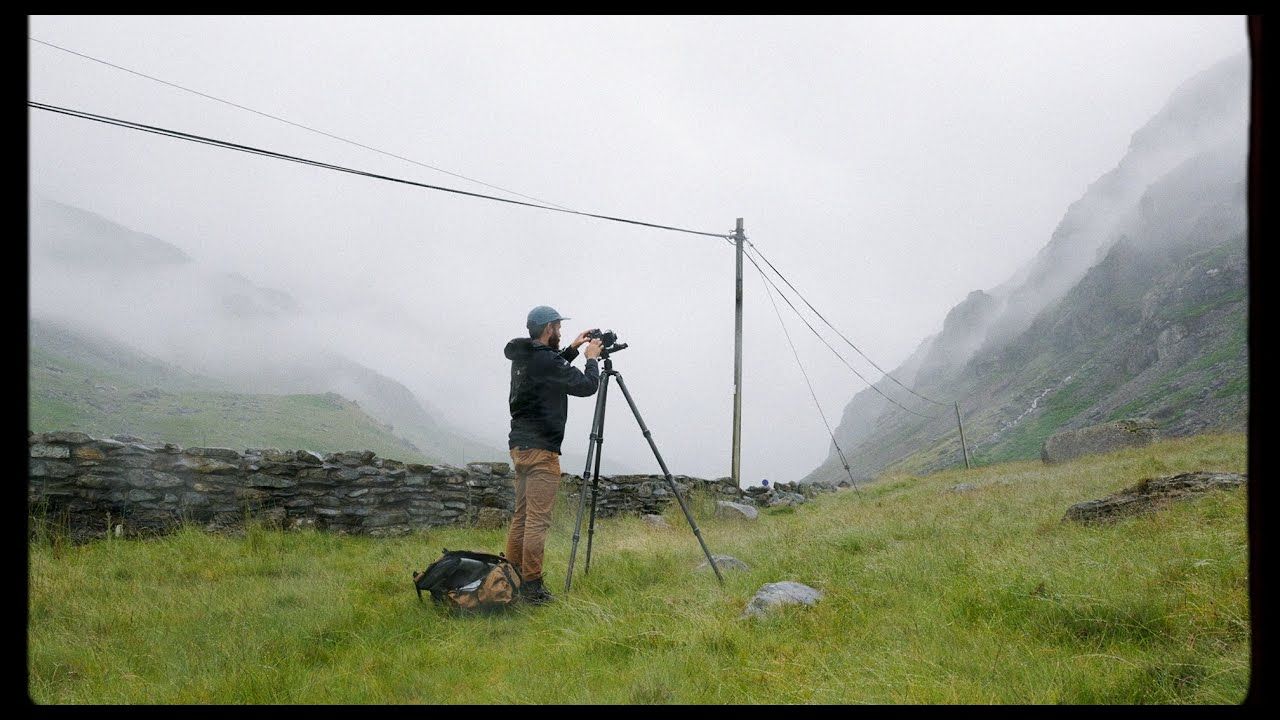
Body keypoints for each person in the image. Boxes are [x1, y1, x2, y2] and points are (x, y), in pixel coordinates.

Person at [502, 305, 602, 604]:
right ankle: (532, 588)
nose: (560, 332)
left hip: (520, 447)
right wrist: (591, 360)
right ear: (548, 330)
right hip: (542, 450)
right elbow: (586, 386)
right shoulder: (545, 360)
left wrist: (572, 347)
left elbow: (550, 369)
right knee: (537, 520)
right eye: (558, 328)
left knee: (521, 516)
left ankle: (511, 577)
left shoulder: (525, 357)